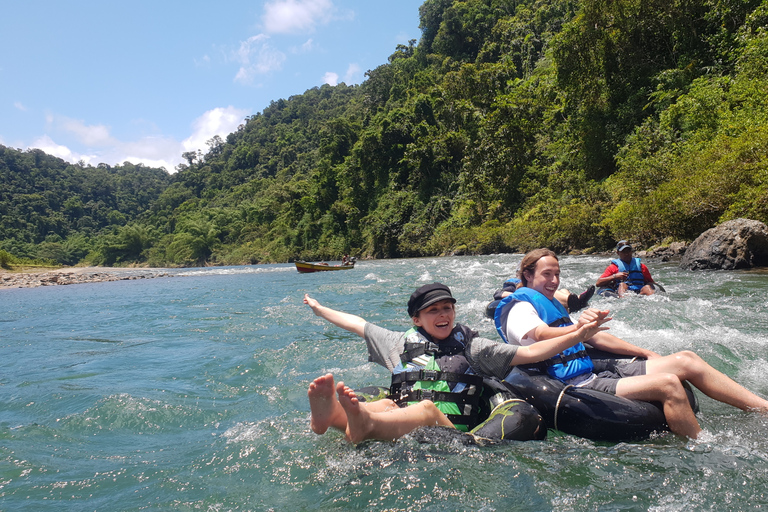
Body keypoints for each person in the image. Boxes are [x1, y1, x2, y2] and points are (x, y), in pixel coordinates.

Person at [495, 248, 768, 439]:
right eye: (546, 275)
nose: (554, 281)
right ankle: (704, 446)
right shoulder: (519, 307)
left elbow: (595, 337)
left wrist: (644, 351)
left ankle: (762, 408)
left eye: (557, 274)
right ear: (528, 275)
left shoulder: (553, 302)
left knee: (687, 359)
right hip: (577, 385)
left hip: (593, 371)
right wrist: (579, 329)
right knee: (669, 384)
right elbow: (541, 335)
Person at [305, 283, 605, 444]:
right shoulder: (397, 343)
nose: (443, 315)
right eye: (433, 310)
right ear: (416, 319)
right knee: (386, 405)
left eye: (447, 308)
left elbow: (531, 353)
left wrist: (577, 333)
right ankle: (332, 417)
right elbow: (357, 323)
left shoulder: (473, 347)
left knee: (424, 410)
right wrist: (320, 310)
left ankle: (360, 424)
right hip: (404, 429)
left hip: (449, 434)